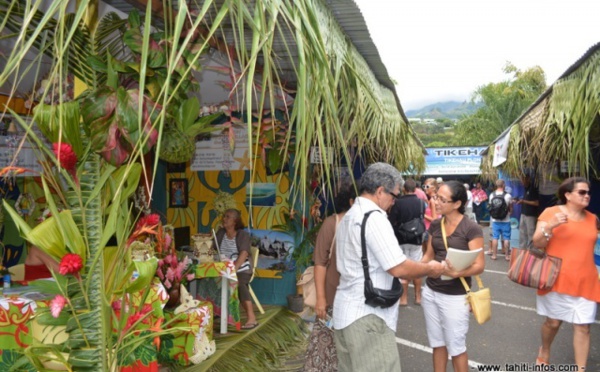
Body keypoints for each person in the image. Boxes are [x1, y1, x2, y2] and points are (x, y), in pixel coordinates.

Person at [333, 163, 445, 371]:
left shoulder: (350, 216)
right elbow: (398, 267)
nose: (394, 203)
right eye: (394, 196)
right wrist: (431, 268)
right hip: (367, 316)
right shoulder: (374, 218)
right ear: (379, 191)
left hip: (345, 313)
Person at [531, 177, 600, 370]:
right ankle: (544, 350)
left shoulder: (593, 218)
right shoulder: (551, 213)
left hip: (586, 280)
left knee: (583, 327)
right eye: (582, 192)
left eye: (588, 192)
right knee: (553, 323)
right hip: (556, 279)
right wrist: (550, 225)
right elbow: (537, 243)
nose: (587, 195)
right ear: (568, 195)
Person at [421, 180, 485, 372]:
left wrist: (458, 273)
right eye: (435, 197)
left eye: (442, 199)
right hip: (431, 292)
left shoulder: (471, 228)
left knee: (456, 347)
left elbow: (480, 265)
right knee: (437, 343)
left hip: (456, 296)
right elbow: (428, 256)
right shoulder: (435, 225)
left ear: (457, 204)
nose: (436, 202)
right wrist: (410, 270)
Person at [304, 179, 356, 372]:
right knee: (325, 347)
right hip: (332, 298)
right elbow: (320, 263)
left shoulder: (365, 225)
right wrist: (321, 299)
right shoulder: (332, 223)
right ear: (351, 202)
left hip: (356, 301)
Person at [212, 209, 257, 329]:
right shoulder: (221, 233)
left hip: (241, 268)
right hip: (223, 268)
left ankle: (251, 317)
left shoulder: (242, 235)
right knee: (207, 280)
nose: (224, 219)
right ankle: (215, 311)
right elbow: (213, 249)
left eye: (228, 217)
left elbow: (244, 254)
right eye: (224, 216)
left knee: (239, 284)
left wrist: (233, 270)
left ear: (235, 221)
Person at [388, 178, 427, 306]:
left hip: (401, 238)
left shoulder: (397, 203)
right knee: (417, 268)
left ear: (404, 189)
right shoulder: (421, 203)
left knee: (403, 267)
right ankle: (418, 296)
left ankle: (403, 298)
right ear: (415, 189)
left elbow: (391, 220)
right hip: (416, 239)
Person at [489, 179, 512, 260]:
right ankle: (506, 256)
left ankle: (494, 255)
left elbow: (490, 207)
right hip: (506, 220)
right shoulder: (508, 196)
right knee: (506, 238)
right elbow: (510, 208)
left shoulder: (492, 195)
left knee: (495, 237)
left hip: (495, 221)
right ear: (503, 185)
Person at [515, 174, 539, 248]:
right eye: (521, 180)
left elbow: (536, 203)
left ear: (528, 179)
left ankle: (531, 252)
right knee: (522, 233)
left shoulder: (533, 188)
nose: (521, 182)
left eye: (523, 180)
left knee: (531, 234)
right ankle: (522, 251)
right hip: (523, 213)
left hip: (531, 215)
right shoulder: (526, 188)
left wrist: (523, 201)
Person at [422, 178, 439, 253]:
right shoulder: (436, 198)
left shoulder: (432, 200)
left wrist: (423, 214)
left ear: (434, 187)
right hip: (432, 230)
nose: (425, 188)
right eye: (424, 186)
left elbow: (434, 219)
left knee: (426, 253)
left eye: (427, 186)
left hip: (429, 229)